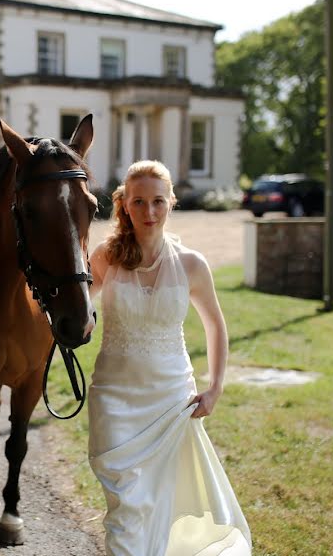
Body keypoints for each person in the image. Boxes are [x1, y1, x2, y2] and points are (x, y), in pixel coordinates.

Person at [87, 160, 251, 555]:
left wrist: (215, 389)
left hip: (171, 400)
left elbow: (216, 326)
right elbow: (76, 313)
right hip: (114, 398)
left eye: (158, 201)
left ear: (171, 202)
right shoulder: (105, 257)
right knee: (126, 506)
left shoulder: (192, 265)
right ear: (124, 204)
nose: (149, 212)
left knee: (164, 501)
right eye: (139, 202)